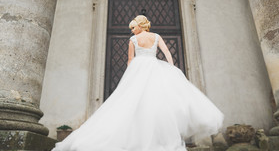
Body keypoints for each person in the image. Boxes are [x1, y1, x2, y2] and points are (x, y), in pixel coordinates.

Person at [53, 15, 224, 151]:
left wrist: (129, 76)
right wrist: (172, 68)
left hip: (139, 68)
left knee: (136, 102)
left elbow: (130, 60)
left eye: (133, 27)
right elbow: (166, 52)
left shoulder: (133, 40)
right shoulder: (156, 36)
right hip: (155, 66)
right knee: (156, 101)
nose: (132, 30)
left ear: (140, 26)